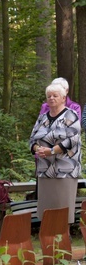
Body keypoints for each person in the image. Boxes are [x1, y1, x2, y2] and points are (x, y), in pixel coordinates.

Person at [30, 82, 81, 225]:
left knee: (63, 208)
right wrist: (37, 149)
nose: (51, 98)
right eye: (49, 96)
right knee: (47, 209)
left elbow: (73, 140)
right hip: (45, 170)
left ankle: (64, 240)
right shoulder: (42, 118)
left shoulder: (71, 115)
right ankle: (48, 240)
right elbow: (32, 139)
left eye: (55, 96)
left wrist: (51, 151)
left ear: (63, 98)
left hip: (65, 170)